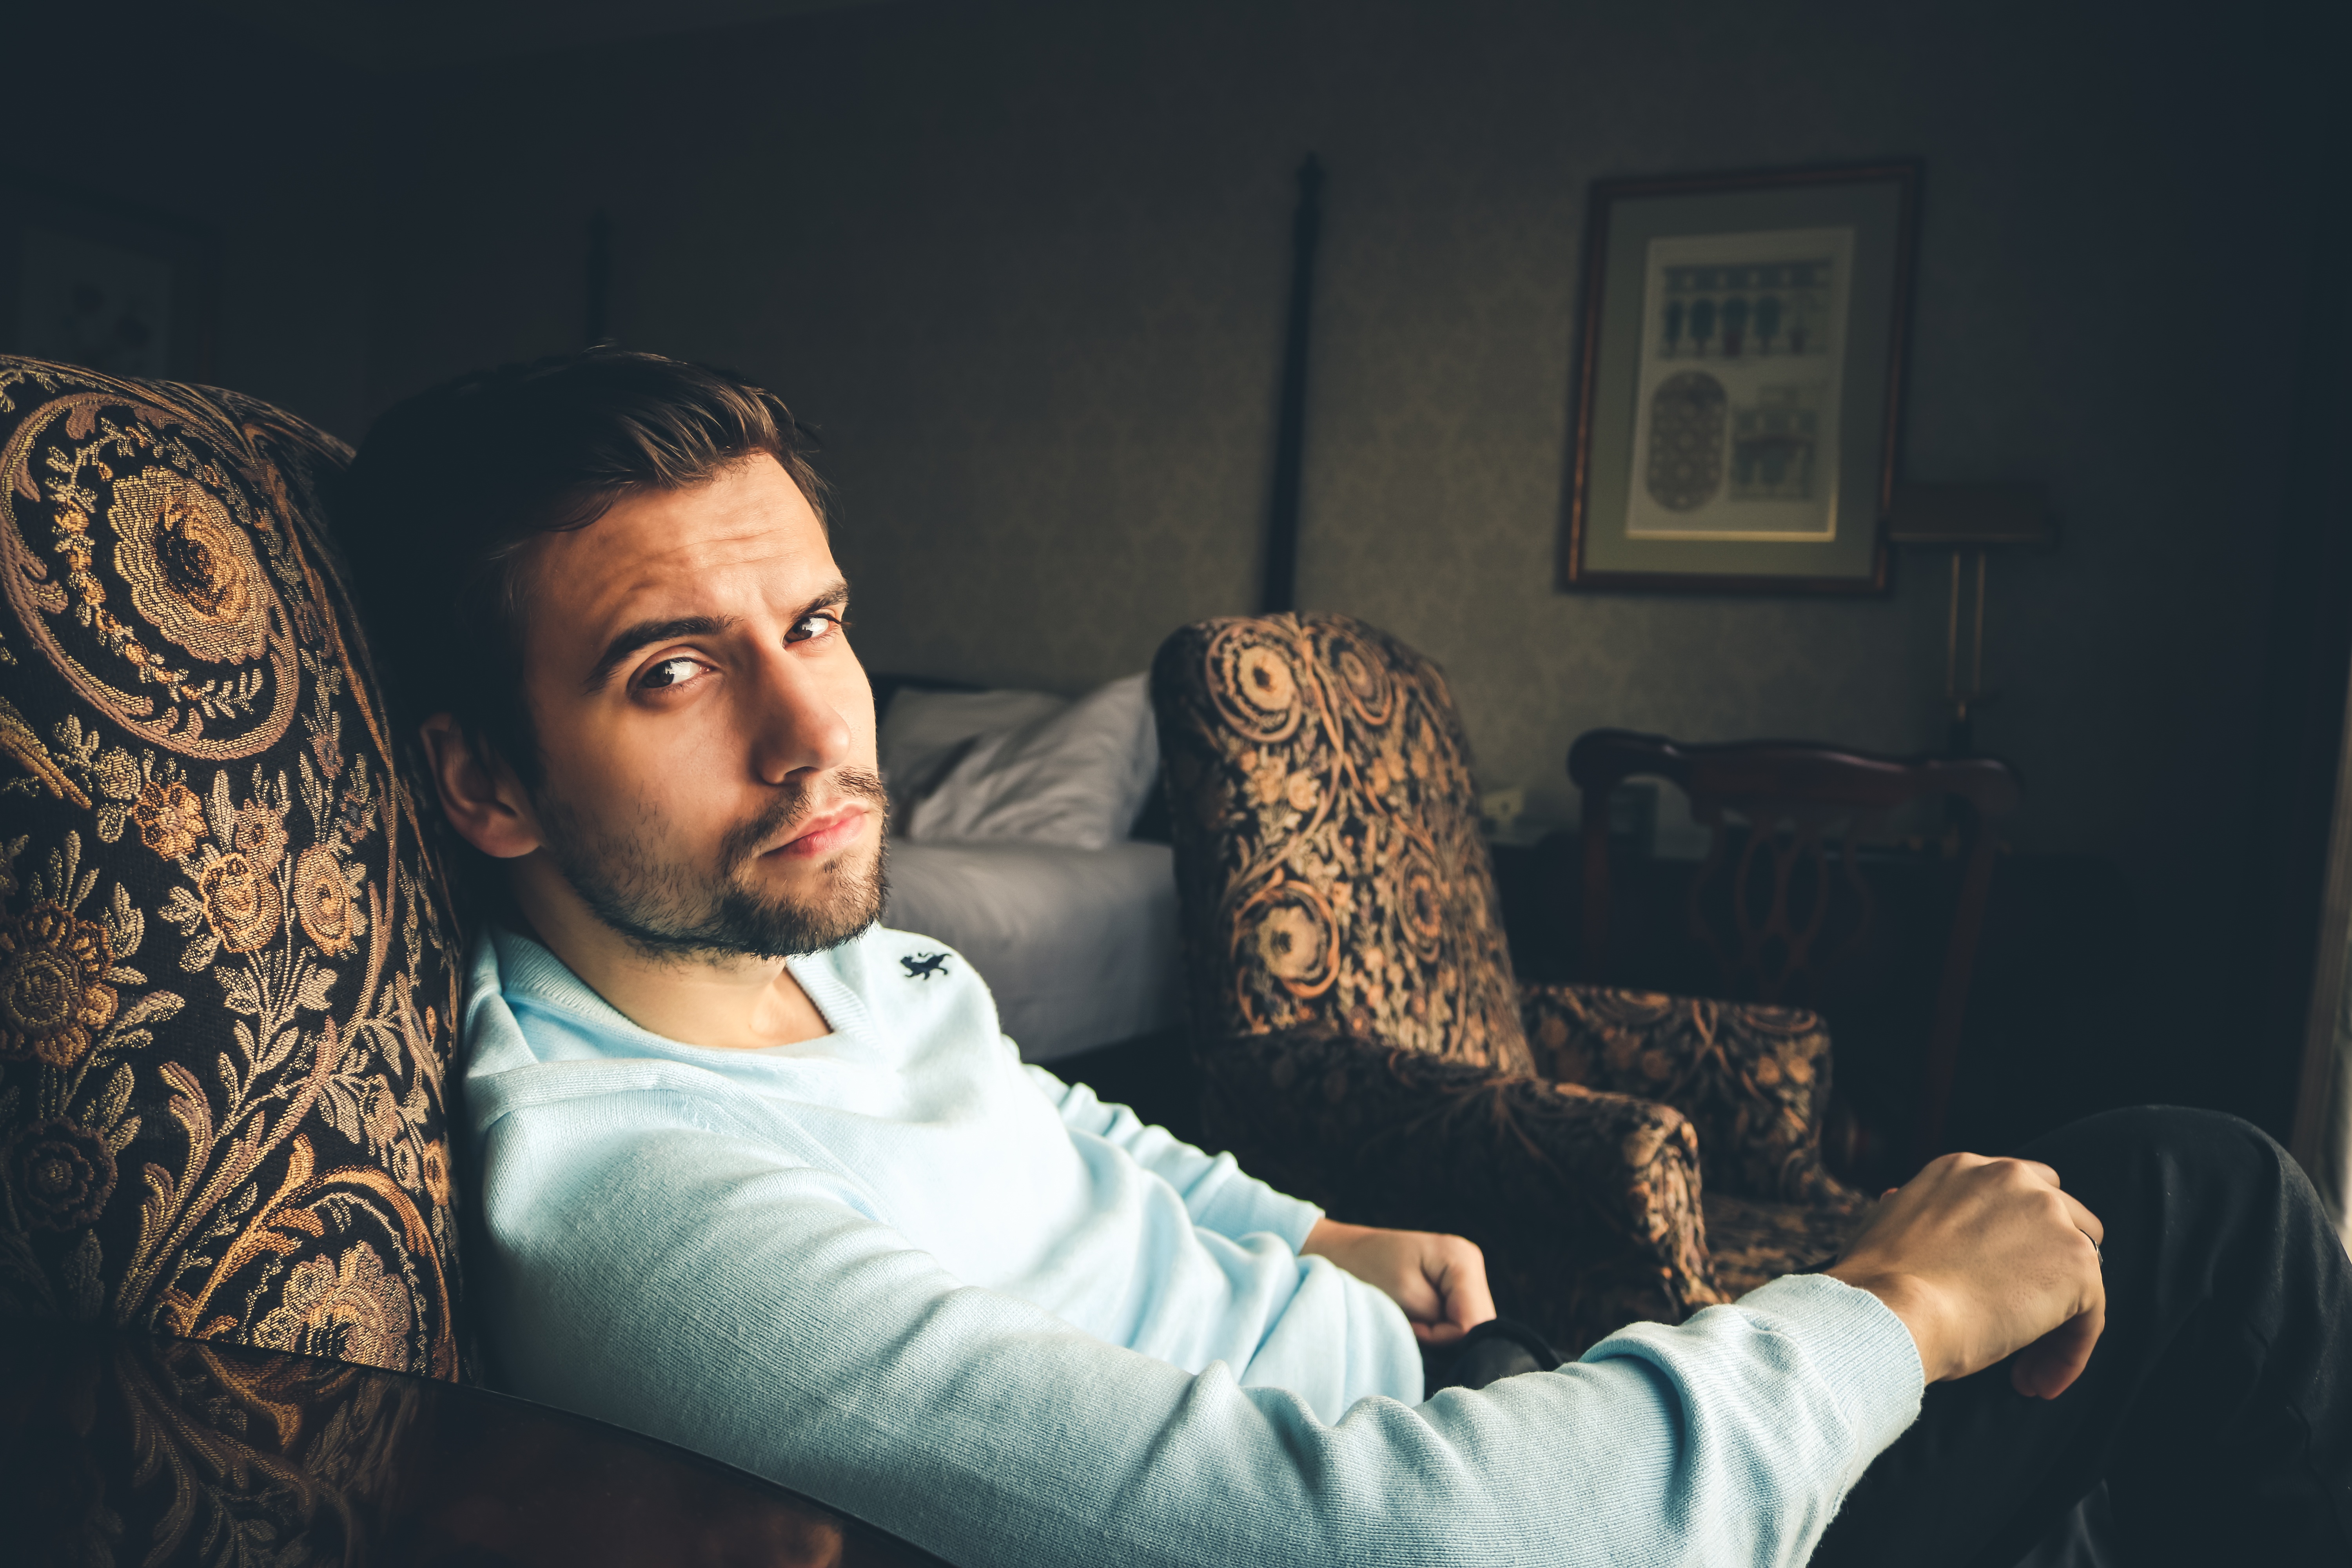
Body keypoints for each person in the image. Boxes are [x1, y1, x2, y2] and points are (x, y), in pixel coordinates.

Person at [339, 349, 2352, 1568]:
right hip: (1498, 1506)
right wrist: (1892, 1311)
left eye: (820, 624)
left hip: (1469, 1385)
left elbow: (1043, 1120)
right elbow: (1419, 1538)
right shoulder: (649, 1206)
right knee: (2202, 1207)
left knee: (2120, 1382)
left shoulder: (842, 966)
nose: (817, 739)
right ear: (484, 783)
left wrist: (1301, 1230)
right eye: (671, 670)